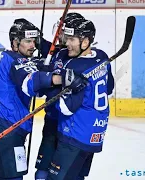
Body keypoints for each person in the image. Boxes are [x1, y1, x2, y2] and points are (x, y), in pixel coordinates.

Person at [0, 18, 87, 180]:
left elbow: (38, 82)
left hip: (5, 125)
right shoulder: (14, 61)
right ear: (15, 43)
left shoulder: (15, 58)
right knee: (13, 177)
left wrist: (48, 70)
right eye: (27, 41)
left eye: (34, 41)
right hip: (7, 129)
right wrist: (62, 78)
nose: (33, 46)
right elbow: (30, 83)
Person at [47, 18, 114, 180]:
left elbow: (65, 108)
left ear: (85, 42)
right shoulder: (101, 57)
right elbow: (109, 88)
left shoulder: (74, 67)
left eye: (71, 39)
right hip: (94, 133)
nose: (67, 43)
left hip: (74, 135)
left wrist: (54, 89)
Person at [34, 12, 87, 180]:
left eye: (65, 32)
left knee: (71, 173)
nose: (61, 35)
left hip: (73, 125)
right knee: (43, 169)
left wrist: (49, 82)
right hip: (52, 120)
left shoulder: (82, 60)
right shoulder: (57, 53)